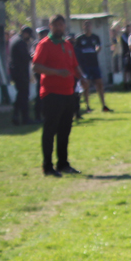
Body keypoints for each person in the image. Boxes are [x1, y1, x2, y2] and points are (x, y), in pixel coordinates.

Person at [32, 14, 89, 176]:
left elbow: (74, 66)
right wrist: (56, 72)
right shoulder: (44, 45)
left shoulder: (67, 45)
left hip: (68, 93)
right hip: (51, 94)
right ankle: (47, 166)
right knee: (50, 130)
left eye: (61, 25)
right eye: (55, 25)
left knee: (65, 130)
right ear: (50, 27)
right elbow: (36, 67)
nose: (59, 28)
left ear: (65, 26)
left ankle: (63, 163)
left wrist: (82, 78)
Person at [74, 20, 112, 113]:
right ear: (83, 27)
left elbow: (99, 47)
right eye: (86, 26)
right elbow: (76, 50)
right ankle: (87, 106)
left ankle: (103, 105)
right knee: (86, 85)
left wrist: (97, 50)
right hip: (85, 65)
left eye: (89, 26)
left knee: (100, 84)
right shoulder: (79, 38)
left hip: (94, 64)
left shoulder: (95, 37)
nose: (88, 28)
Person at [9, 26, 34, 125]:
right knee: (24, 96)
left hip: (16, 72)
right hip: (21, 73)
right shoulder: (20, 43)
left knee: (20, 96)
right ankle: (25, 118)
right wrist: (33, 56)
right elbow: (25, 57)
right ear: (25, 33)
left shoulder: (14, 40)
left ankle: (16, 115)